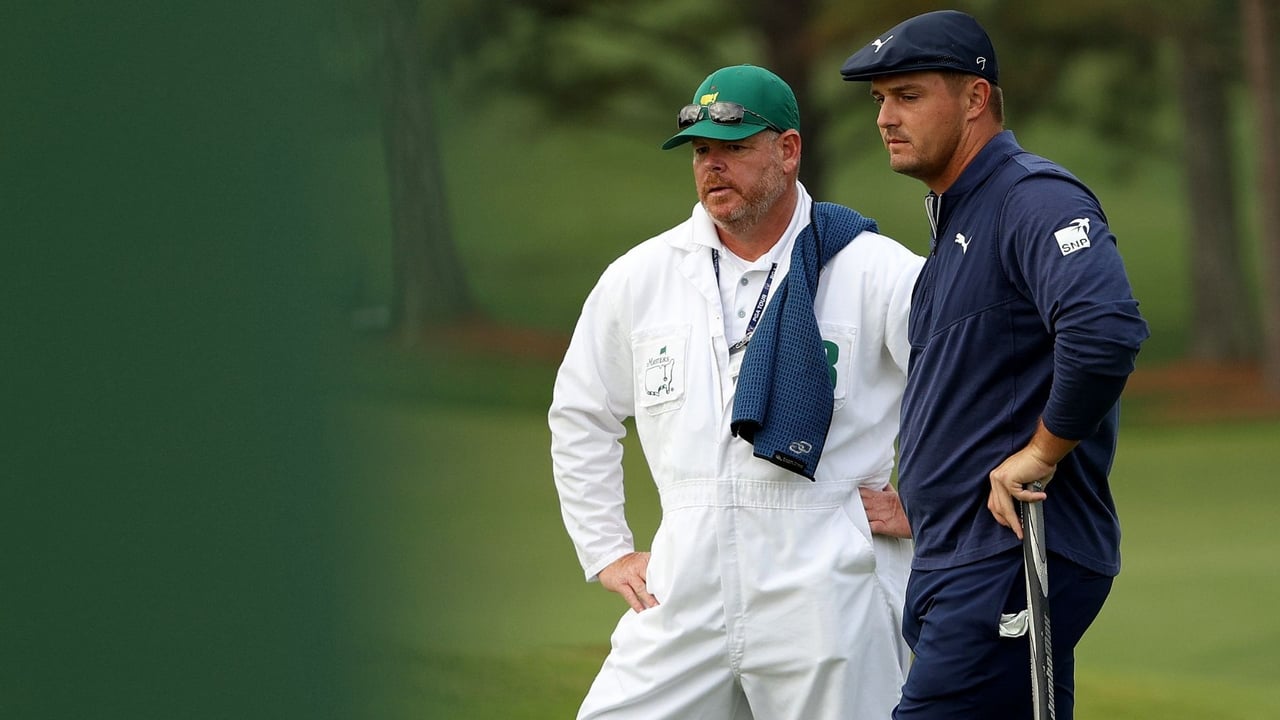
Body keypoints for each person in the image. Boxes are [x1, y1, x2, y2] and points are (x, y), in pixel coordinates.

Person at [549, 64, 923, 719]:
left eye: (735, 147)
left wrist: (930, 502)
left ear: (788, 149)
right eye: (701, 152)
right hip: (682, 586)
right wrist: (606, 548)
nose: (713, 167)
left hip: (826, 589)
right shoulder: (641, 278)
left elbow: (972, 388)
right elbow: (582, 412)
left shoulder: (875, 271)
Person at [839, 10, 1152, 720]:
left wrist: (1041, 454)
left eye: (909, 95)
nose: (887, 117)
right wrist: (923, 502)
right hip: (963, 558)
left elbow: (1104, 330)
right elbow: (986, 393)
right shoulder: (960, 220)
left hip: (1010, 561)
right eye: (880, 100)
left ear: (975, 99)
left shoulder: (1030, 197)